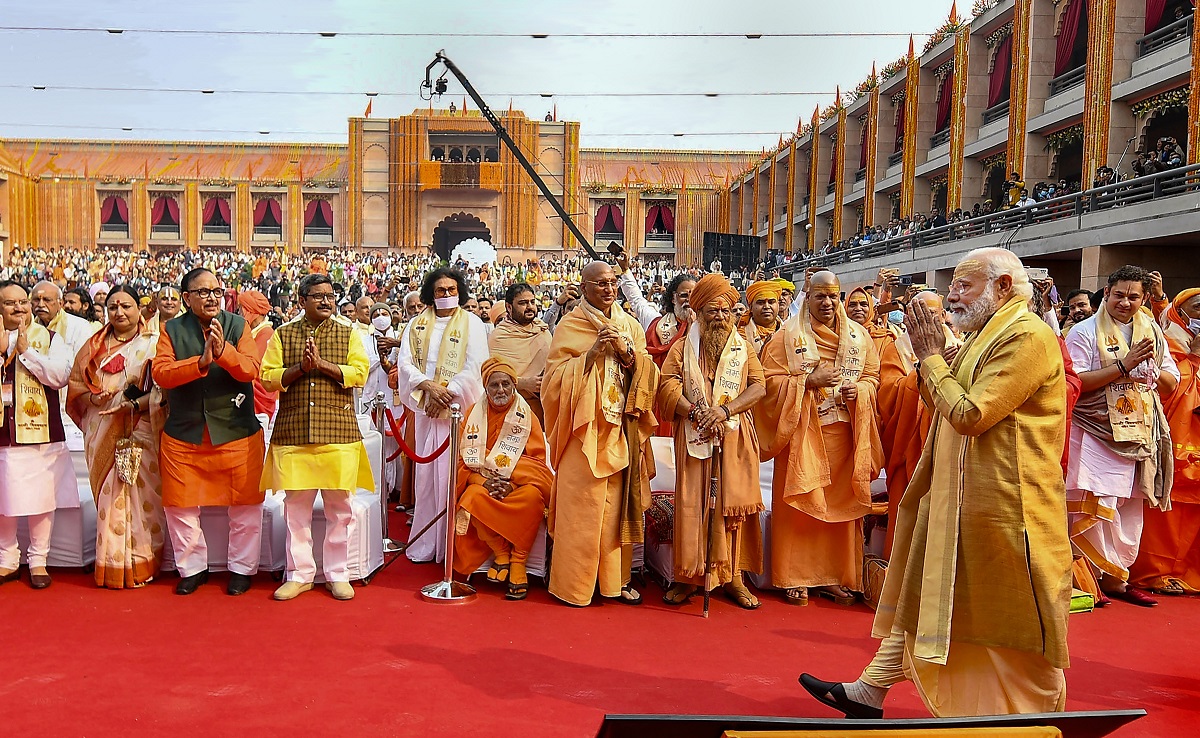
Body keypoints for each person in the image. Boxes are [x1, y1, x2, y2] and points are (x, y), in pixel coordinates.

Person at [800, 248, 1073, 718]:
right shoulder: (983, 336)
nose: (951, 296)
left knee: (1016, 617)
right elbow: (940, 397)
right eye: (953, 285)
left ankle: (1040, 712)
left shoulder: (1028, 337)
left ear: (1003, 287)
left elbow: (970, 414)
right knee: (927, 594)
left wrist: (930, 359)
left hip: (1009, 506)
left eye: (963, 285)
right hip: (956, 497)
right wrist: (935, 364)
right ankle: (870, 690)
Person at [756, 269, 883, 606]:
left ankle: (834, 575)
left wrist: (863, 390)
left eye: (832, 296)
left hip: (844, 434)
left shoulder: (859, 337)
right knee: (800, 504)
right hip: (801, 432)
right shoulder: (786, 337)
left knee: (839, 506)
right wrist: (808, 382)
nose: (827, 302)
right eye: (819, 296)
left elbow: (872, 377)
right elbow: (768, 384)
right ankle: (794, 576)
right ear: (807, 297)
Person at [543, 260, 659, 607]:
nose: (608, 290)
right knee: (582, 509)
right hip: (584, 431)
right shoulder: (570, 325)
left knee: (615, 509)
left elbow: (649, 373)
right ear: (584, 289)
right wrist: (590, 356)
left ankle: (614, 582)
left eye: (612, 283)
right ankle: (573, 584)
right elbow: (552, 381)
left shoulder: (629, 325)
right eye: (600, 284)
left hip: (620, 428)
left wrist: (626, 354)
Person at [1065, 265, 1178, 607]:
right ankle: (1085, 579)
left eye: (1133, 297)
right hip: (1094, 430)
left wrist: (1154, 373)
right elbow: (1077, 382)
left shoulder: (1153, 334)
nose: (1125, 303)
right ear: (1107, 293)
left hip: (1138, 431)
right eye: (1118, 295)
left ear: (1144, 298)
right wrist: (1125, 366)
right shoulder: (1084, 332)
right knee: (1093, 503)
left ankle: (1117, 579)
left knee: (1129, 506)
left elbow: (1172, 380)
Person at [152, 268, 266, 596]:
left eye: (216, 291)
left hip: (235, 431)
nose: (211, 297)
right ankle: (192, 568)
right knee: (179, 507)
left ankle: (242, 569)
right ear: (186, 298)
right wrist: (200, 363)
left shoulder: (237, 325)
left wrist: (223, 353)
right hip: (184, 435)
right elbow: (162, 374)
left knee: (245, 506)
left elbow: (251, 370)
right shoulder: (171, 329)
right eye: (202, 292)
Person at [260, 273, 374, 601]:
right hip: (294, 432)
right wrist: (299, 368)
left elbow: (359, 373)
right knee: (296, 510)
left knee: (341, 508)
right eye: (318, 296)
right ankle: (299, 574)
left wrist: (322, 365)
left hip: (338, 433)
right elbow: (267, 378)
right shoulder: (283, 335)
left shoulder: (348, 334)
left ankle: (337, 574)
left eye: (330, 295)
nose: (326, 301)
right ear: (301, 301)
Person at [656, 274, 765, 609]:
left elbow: (758, 386)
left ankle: (732, 578)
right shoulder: (681, 347)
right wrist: (694, 412)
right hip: (695, 434)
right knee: (693, 505)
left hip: (733, 436)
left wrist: (725, 409)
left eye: (726, 311)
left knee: (730, 507)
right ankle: (690, 577)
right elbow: (666, 386)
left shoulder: (743, 347)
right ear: (698, 314)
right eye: (713, 311)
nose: (720, 317)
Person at [66, 286, 166, 588]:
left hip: (140, 425)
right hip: (102, 425)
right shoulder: (94, 345)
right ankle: (111, 563)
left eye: (126, 306)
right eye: (112, 307)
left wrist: (134, 401)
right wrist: (96, 399)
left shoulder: (154, 342)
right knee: (110, 493)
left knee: (142, 496)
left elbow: (162, 387)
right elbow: (76, 384)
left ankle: (140, 561)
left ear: (139, 309)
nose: (119, 312)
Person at [393, 268, 487, 564]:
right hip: (426, 411)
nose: (446, 295)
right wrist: (428, 387)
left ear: (460, 291)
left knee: (453, 477)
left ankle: (453, 547)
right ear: (430, 294)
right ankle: (426, 543)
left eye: (451, 290)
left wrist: (448, 393)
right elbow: (405, 364)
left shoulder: (472, 322)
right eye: (440, 290)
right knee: (427, 480)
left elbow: (476, 365)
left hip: (457, 413)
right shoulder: (416, 324)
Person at [453, 358, 554, 600]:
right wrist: (483, 482)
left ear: (513, 386)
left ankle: (518, 561)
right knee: (471, 498)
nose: (501, 390)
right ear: (486, 388)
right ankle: (501, 553)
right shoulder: (472, 415)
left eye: (506, 384)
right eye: (494, 385)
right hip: (484, 484)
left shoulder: (527, 415)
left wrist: (512, 482)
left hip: (517, 486)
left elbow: (537, 463)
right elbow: (462, 461)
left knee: (532, 497)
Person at [0, 280, 75, 589]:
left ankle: (39, 560)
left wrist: (26, 352)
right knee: (4, 496)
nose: (19, 308)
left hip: (41, 430)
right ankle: (6, 559)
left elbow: (59, 376)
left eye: (23, 302)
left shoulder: (51, 339)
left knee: (42, 497)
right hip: (4, 429)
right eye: (10, 303)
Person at [875, 291, 960, 558]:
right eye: (918, 315)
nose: (926, 321)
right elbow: (887, 393)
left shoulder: (959, 345)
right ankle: (899, 578)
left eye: (932, 315)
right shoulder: (896, 348)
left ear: (943, 316)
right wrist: (924, 371)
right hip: (908, 442)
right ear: (908, 319)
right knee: (906, 508)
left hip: (945, 442)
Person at [1130, 288, 1200, 594]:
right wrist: (1195, 357)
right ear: (1179, 313)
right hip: (1171, 441)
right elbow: (1167, 386)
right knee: (1165, 513)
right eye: (1198, 308)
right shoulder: (1166, 344)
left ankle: (1186, 570)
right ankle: (1154, 572)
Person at [488, 282, 551, 423]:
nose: (529, 307)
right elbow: (491, 374)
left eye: (532, 302)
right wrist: (522, 383)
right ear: (509, 307)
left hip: (546, 406)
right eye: (523, 303)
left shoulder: (543, 330)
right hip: (514, 408)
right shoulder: (499, 336)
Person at [236, 290, 278, 423]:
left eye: (240, 310)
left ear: (248, 311)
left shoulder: (265, 335)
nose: (239, 314)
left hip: (261, 405)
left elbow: (250, 369)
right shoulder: (258, 333)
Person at [742, 280, 783, 355]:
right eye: (760, 303)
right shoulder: (741, 335)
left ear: (778, 305)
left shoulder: (789, 330)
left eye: (771, 302)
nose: (766, 307)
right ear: (750, 307)